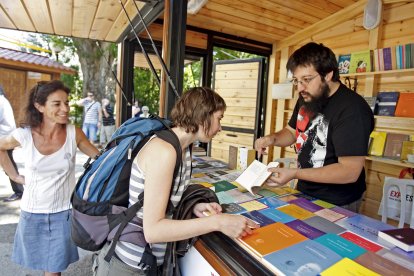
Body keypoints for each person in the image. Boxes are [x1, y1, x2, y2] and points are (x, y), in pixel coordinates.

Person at [92, 87, 258, 275]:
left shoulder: (185, 148)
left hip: (150, 261)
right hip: (129, 265)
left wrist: (195, 207)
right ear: (203, 115)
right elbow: (153, 231)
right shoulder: (164, 151)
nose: (220, 127)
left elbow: (160, 201)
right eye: (219, 118)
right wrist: (219, 222)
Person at [254, 42, 374, 212]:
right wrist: (271, 138)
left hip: (337, 201)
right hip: (304, 191)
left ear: (328, 75)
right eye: (296, 80)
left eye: (307, 80)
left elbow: (349, 171)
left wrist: (294, 173)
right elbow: (292, 132)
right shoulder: (307, 96)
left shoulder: (353, 109)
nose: (300, 88)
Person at [0, 80, 99, 276]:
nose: (65, 108)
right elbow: (1, 148)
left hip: (63, 213)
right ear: (39, 106)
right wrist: (15, 176)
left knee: (54, 270)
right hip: (32, 212)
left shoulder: (74, 133)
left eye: (67, 103)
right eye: (57, 104)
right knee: (46, 266)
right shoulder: (24, 135)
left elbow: (102, 160)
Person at [0, 85, 24, 202]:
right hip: (6, 138)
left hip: (4, 139)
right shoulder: (3, 100)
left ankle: (19, 192)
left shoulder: (0, 101)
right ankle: (19, 191)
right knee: (8, 166)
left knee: (8, 166)